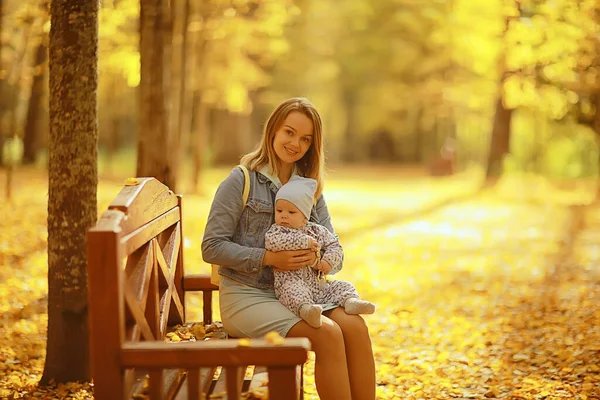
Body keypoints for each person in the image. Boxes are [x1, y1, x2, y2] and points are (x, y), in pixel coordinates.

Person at [202, 97, 376, 400]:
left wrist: (320, 259)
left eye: (305, 139)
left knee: (355, 327)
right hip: (248, 296)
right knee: (328, 334)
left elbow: (335, 249)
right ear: (273, 130)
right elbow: (211, 247)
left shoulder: (309, 188)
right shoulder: (241, 179)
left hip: (302, 293)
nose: (295, 143)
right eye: (289, 132)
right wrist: (268, 258)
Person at [265, 175, 376, 329]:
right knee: (293, 292)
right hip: (291, 281)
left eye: (291, 212)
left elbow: (334, 245)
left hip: (318, 285)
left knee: (342, 285)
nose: (284, 215)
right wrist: (304, 242)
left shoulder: (316, 230)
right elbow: (273, 243)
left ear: (305, 217)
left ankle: (351, 301)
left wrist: (327, 262)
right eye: (279, 210)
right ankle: (307, 310)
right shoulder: (277, 231)